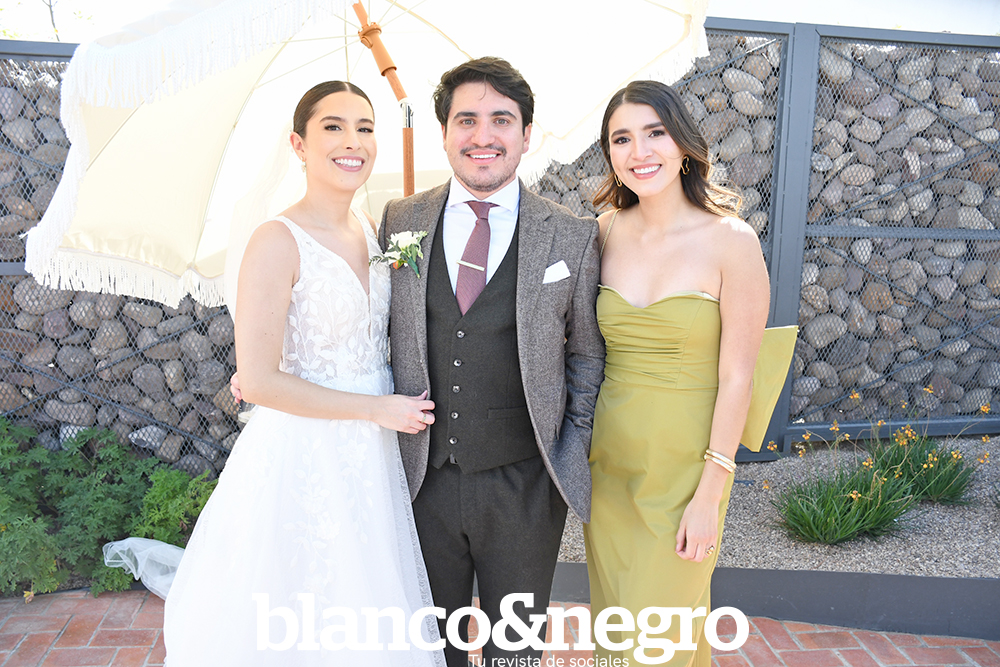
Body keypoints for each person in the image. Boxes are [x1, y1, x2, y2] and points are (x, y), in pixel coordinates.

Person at [164, 81, 445, 667]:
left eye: (365, 128)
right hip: (306, 453)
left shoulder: (374, 229)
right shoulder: (276, 240)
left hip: (373, 457)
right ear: (298, 144)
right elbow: (258, 381)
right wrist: (375, 408)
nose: (353, 142)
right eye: (333, 127)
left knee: (366, 602)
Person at [379, 57, 604, 667]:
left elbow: (586, 354)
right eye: (467, 120)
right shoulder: (401, 220)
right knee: (431, 648)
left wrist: (568, 447)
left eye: (501, 120)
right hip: (421, 478)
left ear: (526, 135)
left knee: (515, 652)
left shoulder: (571, 235)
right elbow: (374, 323)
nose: (484, 136)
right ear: (444, 133)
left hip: (525, 485)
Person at [583, 79, 770, 666]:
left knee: (658, 640)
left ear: (683, 143)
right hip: (609, 464)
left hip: (686, 470)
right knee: (616, 633)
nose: (639, 151)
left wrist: (710, 493)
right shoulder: (604, 232)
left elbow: (739, 378)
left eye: (655, 133)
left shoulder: (732, 241)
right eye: (621, 139)